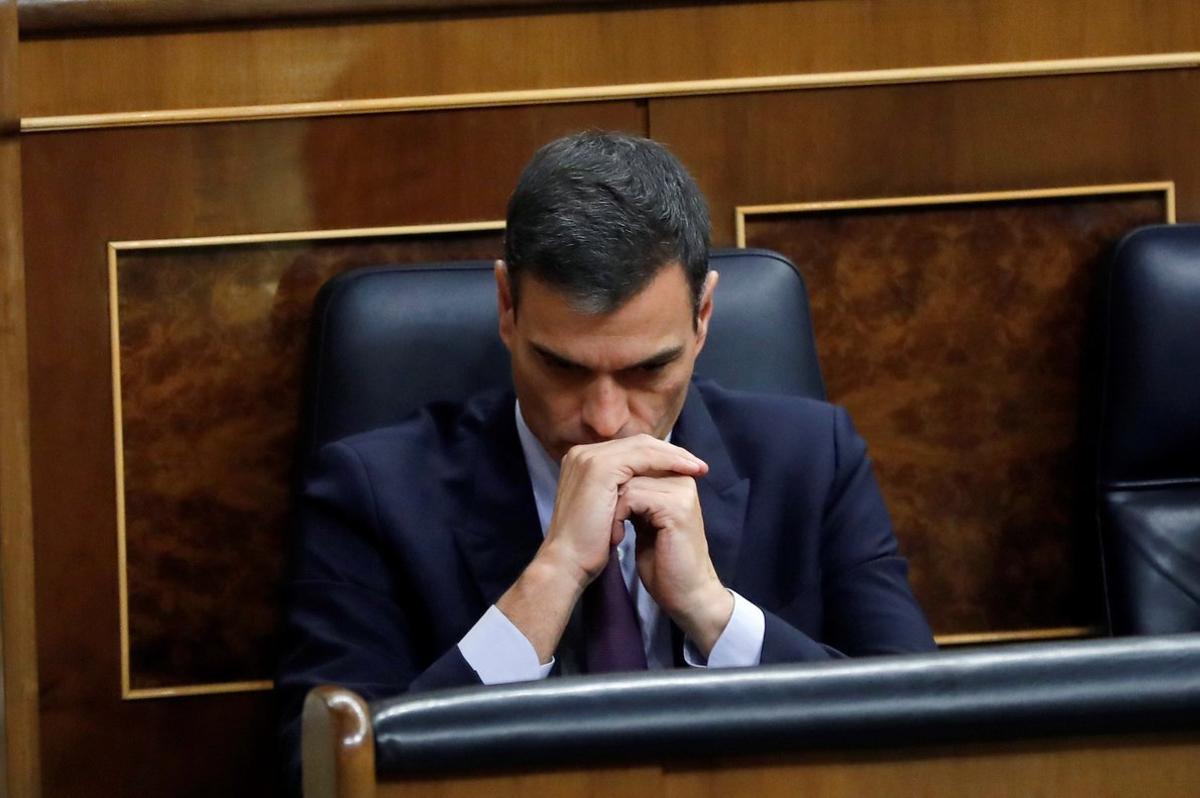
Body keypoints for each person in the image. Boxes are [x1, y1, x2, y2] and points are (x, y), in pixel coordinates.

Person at [276, 131, 935, 788]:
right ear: (507, 307)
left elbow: (929, 733)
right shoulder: (369, 492)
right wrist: (551, 578)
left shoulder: (814, 460)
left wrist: (714, 613)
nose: (605, 417)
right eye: (562, 368)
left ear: (703, 316)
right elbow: (320, 774)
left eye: (650, 369)